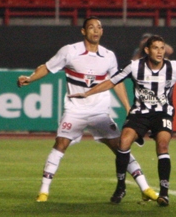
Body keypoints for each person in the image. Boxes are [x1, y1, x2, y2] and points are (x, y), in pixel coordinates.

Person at [16, 17, 157, 203]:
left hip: (99, 112)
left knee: (121, 148)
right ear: (83, 31)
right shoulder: (70, 51)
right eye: (91, 27)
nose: (96, 30)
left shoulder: (108, 55)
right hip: (75, 110)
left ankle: (145, 188)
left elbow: (116, 83)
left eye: (99, 27)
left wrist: (128, 107)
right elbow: (47, 68)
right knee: (60, 144)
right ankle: (43, 191)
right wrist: (30, 78)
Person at [69, 35, 176, 207]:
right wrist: (87, 93)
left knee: (163, 145)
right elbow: (111, 82)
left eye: (162, 48)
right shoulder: (134, 66)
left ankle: (164, 193)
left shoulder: (174, 67)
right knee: (123, 142)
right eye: (156, 48)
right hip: (139, 114)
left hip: (163, 114)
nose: (159, 52)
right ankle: (121, 187)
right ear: (147, 50)